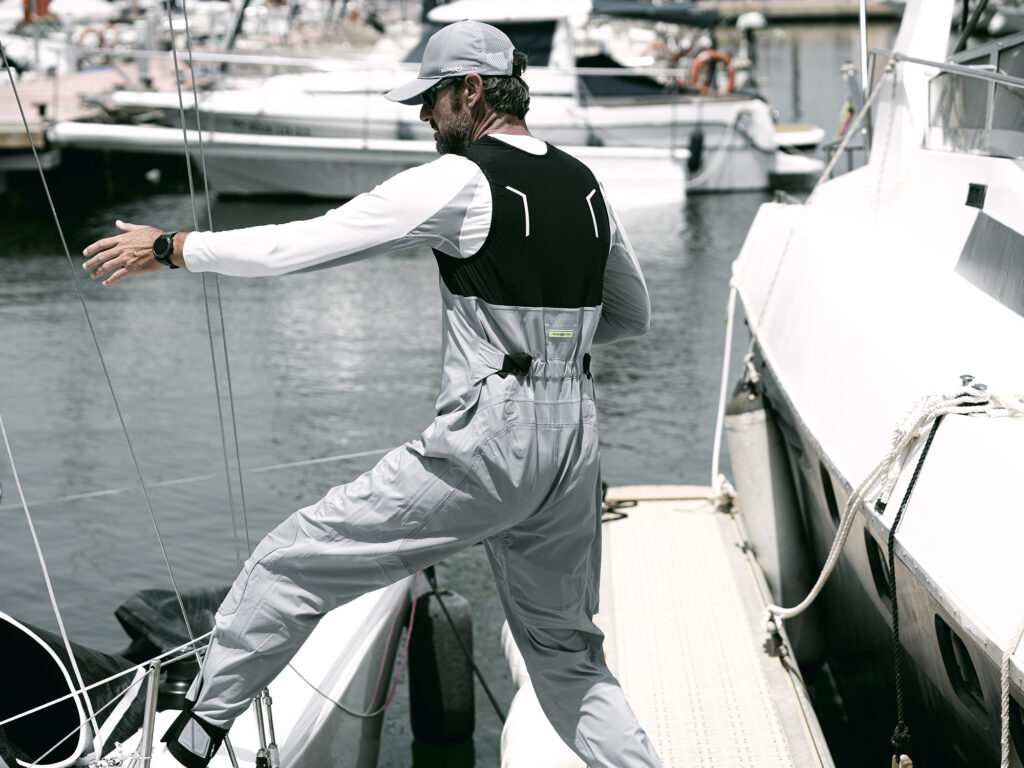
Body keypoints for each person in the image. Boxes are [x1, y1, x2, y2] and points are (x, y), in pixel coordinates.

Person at [82, 20, 661, 768]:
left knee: (287, 566)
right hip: (575, 441)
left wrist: (175, 247)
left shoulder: (459, 180)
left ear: (472, 90)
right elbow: (632, 316)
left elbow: (303, 244)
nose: (423, 114)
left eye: (431, 98)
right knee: (566, 655)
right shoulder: (586, 183)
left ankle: (190, 745)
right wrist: (552, 355)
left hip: (492, 442)